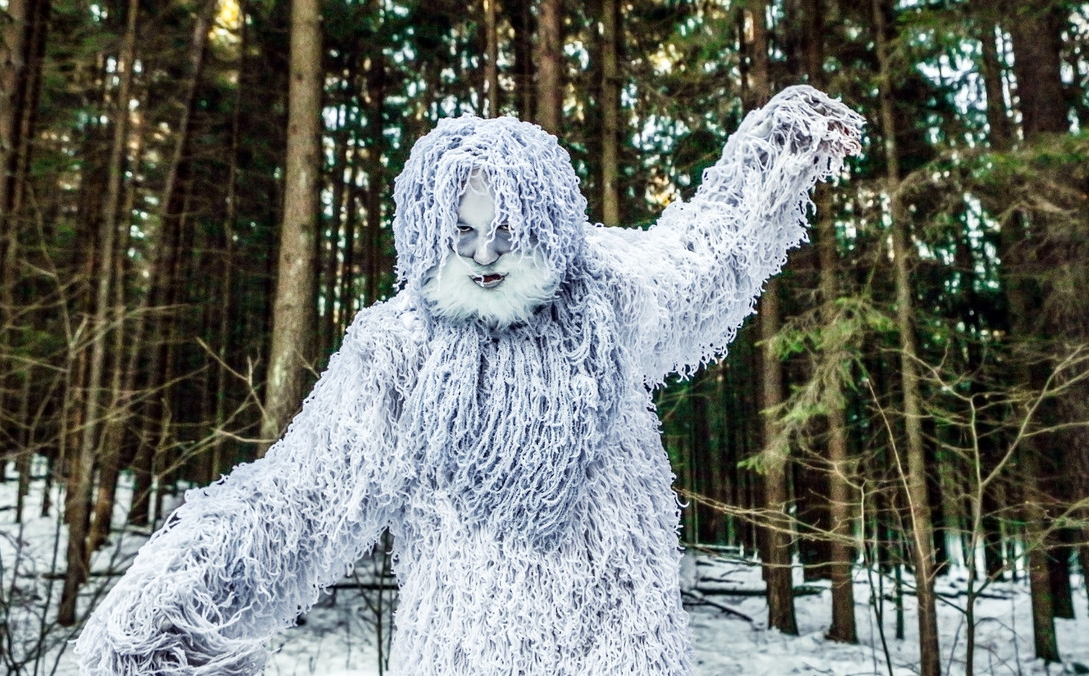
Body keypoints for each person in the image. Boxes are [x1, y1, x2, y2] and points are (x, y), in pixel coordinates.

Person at [75, 85, 863, 675]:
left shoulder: (613, 296)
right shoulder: (399, 351)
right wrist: (169, 608)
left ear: (548, 222)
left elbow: (708, 253)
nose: (485, 253)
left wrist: (778, 149)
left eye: (506, 228)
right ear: (427, 233)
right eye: (461, 232)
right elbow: (301, 501)